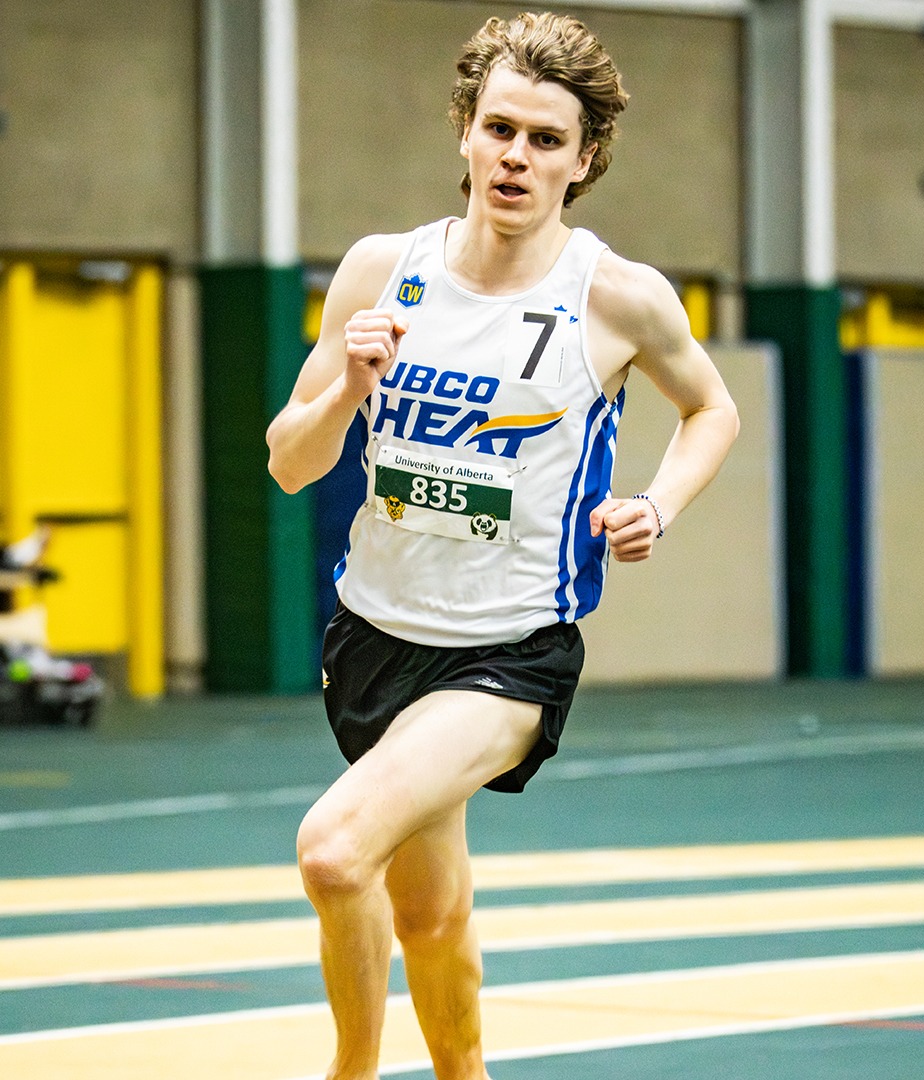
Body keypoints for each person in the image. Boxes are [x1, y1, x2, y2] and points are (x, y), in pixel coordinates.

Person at [264, 14, 739, 1080]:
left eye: (544, 140)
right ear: (465, 135)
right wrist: (347, 381)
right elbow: (289, 463)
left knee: (337, 855)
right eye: (499, 129)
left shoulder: (614, 296)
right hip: (372, 639)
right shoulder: (384, 271)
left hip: (507, 655)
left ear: (585, 161)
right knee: (428, 919)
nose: (516, 157)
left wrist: (657, 505)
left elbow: (713, 410)